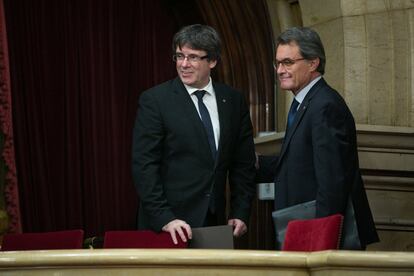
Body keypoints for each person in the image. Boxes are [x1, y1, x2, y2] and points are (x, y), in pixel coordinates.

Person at [256, 27, 379, 249]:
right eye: (278, 63)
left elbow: (332, 181)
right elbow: (301, 164)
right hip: (302, 228)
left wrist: (321, 242)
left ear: (313, 63)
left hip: (319, 237)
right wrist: (255, 164)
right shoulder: (305, 103)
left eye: (288, 62)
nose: (280, 70)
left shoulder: (325, 106)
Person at [132, 24, 256, 244]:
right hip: (168, 226)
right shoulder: (155, 100)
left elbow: (242, 164)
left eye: (193, 57)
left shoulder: (233, 101)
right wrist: (165, 218)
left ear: (213, 61)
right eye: (180, 56)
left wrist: (240, 211)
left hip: (215, 224)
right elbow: (144, 165)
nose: (184, 65)